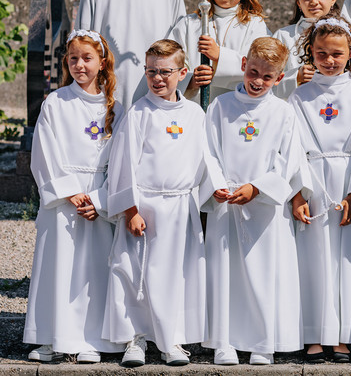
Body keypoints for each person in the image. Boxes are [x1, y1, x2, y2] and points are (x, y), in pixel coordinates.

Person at [103, 40, 224, 367]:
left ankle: (172, 339)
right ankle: (136, 338)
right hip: (145, 206)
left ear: (183, 73)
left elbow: (205, 157)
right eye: (152, 72)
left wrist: (215, 190)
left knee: (177, 275)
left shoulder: (194, 113)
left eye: (166, 72)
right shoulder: (139, 112)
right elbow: (124, 162)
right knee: (136, 272)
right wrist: (131, 210)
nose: (158, 79)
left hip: (180, 207)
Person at [204, 37, 310, 365]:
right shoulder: (219, 107)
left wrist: (257, 188)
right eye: (253, 72)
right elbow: (208, 152)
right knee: (226, 272)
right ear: (242, 66)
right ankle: (224, 341)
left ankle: (264, 341)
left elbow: (288, 159)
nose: (258, 81)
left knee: (265, 273)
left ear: (280, 78)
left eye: (267, 77)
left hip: (264, 206)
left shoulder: (283, 112)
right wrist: (217, 185)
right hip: (227, 202)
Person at [25, 30, 124, 364]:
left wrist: (99, 200)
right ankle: (53, 337)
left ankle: (91, 338)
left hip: (97, 199)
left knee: (93, 270)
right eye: (73, 58)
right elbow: (44, 151)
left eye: (87, 58)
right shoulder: (56, 102)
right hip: (65, 200)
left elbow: (122, 163)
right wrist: (69, 192)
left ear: (102, 62)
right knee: (59, 265)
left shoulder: (116, 107)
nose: (79, 65)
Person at [288, 16, 351, 363]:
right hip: (311, 179)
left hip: (348, 180)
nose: (329, 60)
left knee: (347, 259)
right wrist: (298, 194)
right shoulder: (299, 96)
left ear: (350, 52)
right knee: (314, 258)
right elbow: (292, 146)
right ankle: (314, 333)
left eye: (337, 53)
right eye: (321, 53)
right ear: (310, 51)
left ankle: (343, 335)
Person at [172, 0, 271, 103]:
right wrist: (190, 81)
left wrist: (220, 56)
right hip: (196, 109)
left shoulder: (255, 25)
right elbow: (170, 63)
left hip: (238, 109)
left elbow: (262, 67)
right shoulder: (189, 24)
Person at [273, 0, 341, 99]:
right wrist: (296, 77)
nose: (314, 2)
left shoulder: (346, 36)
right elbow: (266, 80)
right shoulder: (283, 36)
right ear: (298, 1)